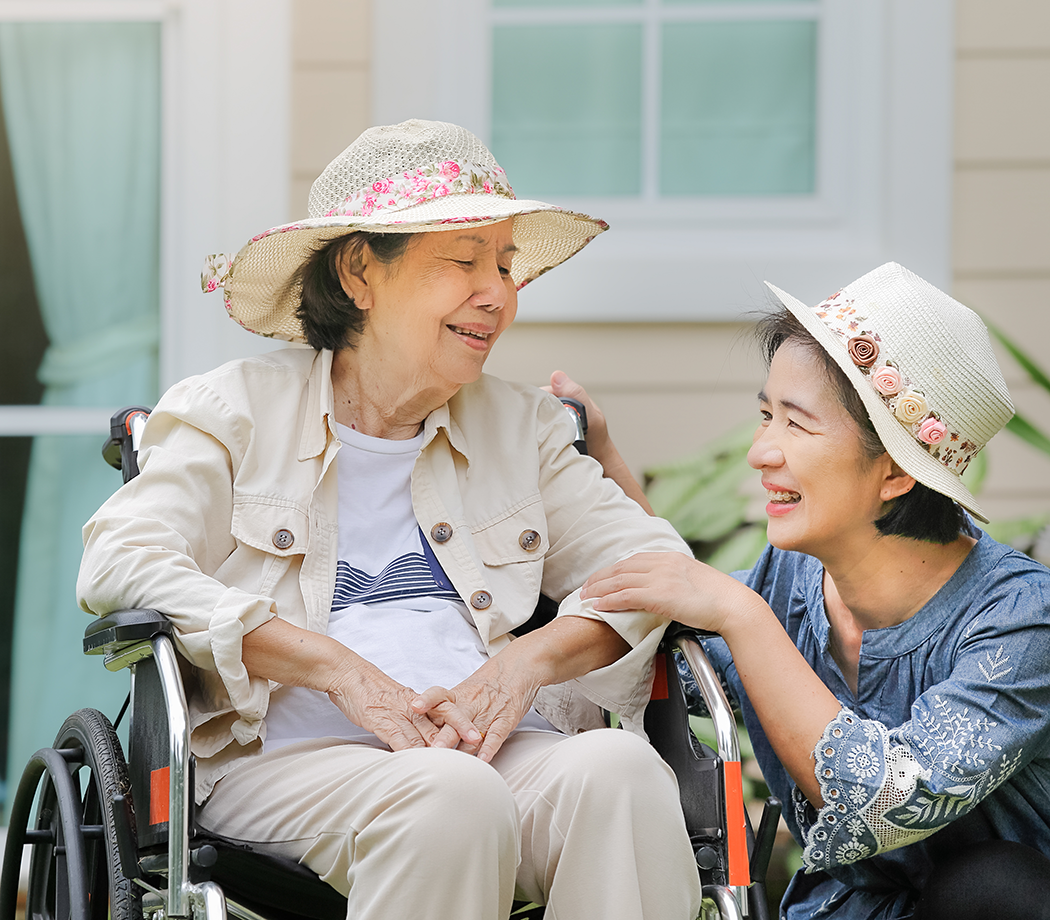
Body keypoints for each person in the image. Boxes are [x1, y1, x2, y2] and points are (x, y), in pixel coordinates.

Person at [76, 120, 702, 920]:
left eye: (506, 265)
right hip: (288, 759)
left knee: (622, 774)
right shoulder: (230, 412)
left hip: (491, 748)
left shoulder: (524, 429)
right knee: (452, 796)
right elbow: (121, 561)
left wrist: (526, 665)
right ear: (361, 273)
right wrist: (335, 668)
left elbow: (655, 564)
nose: (499, 294)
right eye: (465, 260)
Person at [576, 262, 1050, 919]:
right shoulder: (792, 580)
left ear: (892, 474)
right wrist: (601, 465)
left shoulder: (1021, 622)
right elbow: (672, 631)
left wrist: (744, 617)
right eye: (766, 416)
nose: (760, 451)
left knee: (991, 885)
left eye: (795, 425)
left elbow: (887, 803)